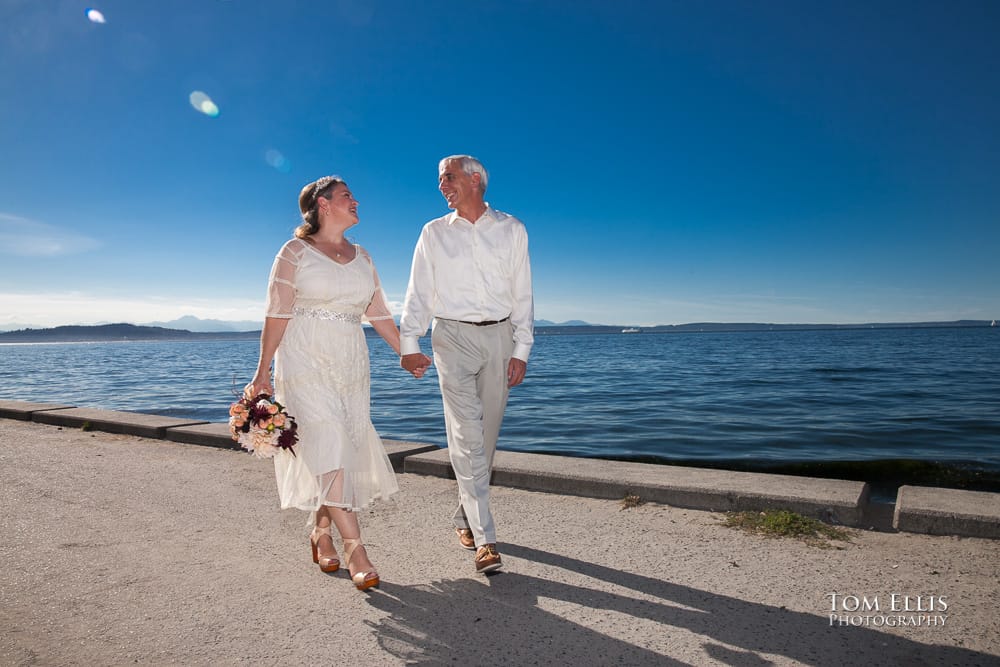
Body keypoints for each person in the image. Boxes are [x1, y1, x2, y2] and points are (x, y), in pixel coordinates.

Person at [247, 175, 431, 590]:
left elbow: (378, 311)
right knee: (327, 438)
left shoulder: (363, 255)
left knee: (342, 444)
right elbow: (277, 313)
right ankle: (355, 547)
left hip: (350, 360)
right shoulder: (294, 251)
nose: (356, 200)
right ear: (322, 204)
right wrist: (262, 373)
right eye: (348, 196)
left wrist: (405, 351)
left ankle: (320, 532)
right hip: (304, 356)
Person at [399, 155, 534, 574]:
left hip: (499, 337)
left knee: (485, 437)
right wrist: (409, 341)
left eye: (449, 177)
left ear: (475, 180)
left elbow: (523, 293)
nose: (442, 185)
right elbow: (420, 289)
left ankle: (463, 516)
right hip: (451, 337)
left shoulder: (512, 229)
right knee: (465, 435)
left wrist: (521, 349)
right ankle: (485, 539)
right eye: (440, 180)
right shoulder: (433, 232)